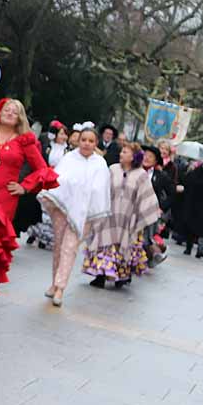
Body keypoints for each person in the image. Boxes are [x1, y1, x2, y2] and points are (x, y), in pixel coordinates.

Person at [0, 98, 58, 303]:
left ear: (19, 118)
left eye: (14, 112)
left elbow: (43, 170)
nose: (9, 113)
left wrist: (24, 187)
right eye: (6, 109)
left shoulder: (24, 141)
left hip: (3, 199)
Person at [38, 126, 110, 306]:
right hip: (63, 209)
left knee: (69, 248)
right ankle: (54, 283)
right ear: (78, 140)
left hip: (85, 213)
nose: (86, 144)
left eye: (91, 141)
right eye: (84, 140)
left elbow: (101, 189)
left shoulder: (100, 164)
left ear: (96, 143)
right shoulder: (69, 158)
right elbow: (58, 180)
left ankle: (61, 288)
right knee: (59, 246)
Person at [83, 143, 158, 288]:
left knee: (126, 246)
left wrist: (140, 216)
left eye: (125, 152)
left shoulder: (141, 175)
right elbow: (101, 188)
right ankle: (100, 275)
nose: (121, 154)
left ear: (133, 156)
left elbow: (147, 197)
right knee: (104, 243)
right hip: (109, 216)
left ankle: (122, 275)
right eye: (122, 151)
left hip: (128, 218)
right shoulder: (112, 169)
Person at [140, 145, 172, 265]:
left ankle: (152, 255)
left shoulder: (160, 176)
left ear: (155, 161)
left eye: (150, 157)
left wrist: (161, 207)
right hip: (132, 209)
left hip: (150, 211)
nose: (146, 158)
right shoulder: (134, 170)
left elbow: (172, 193)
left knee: (147, 236)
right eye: (145, 155)